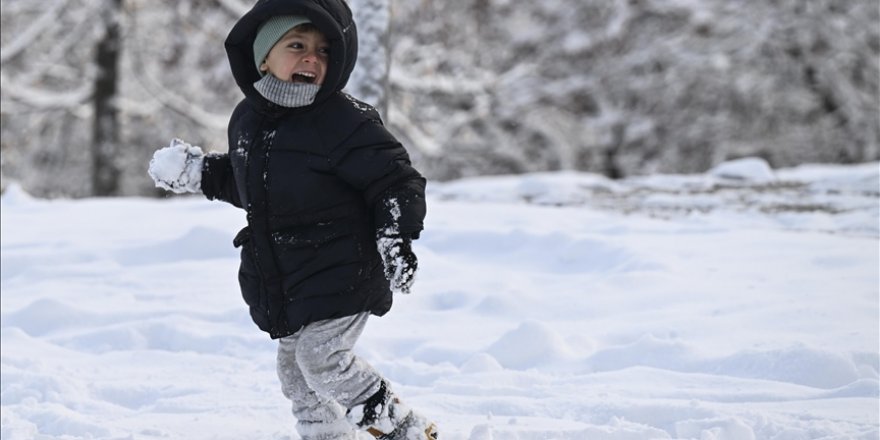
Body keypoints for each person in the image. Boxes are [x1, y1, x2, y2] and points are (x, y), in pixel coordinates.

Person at [147, 1, 437, 439]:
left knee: (322, 360)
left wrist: (394, 237)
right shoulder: (248, 119)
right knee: (296, 374)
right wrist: (201, 172)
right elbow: (251, 184)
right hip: (292, 277)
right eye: (297, 45)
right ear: (264, 56)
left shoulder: (344, 121)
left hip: (344, 268)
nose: (311, 58)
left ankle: (405, 431)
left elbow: (394, 180)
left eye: (323, 51)